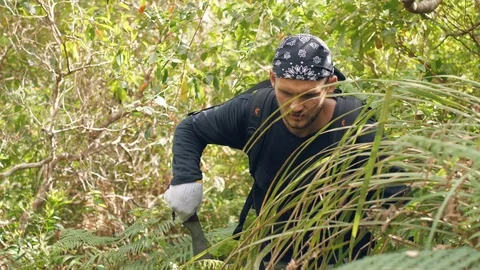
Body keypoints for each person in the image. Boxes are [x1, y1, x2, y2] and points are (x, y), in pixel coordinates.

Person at [164, 33, 408, 267]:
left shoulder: (356, 125)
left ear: (331, 86)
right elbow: (190, 129)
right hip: (273, 255)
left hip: (343, 258)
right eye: (286, 93)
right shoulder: (255, 111)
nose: (296, 107)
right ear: (272, 80)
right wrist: (186, 180)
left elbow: (399, 195)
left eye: (309, 95)